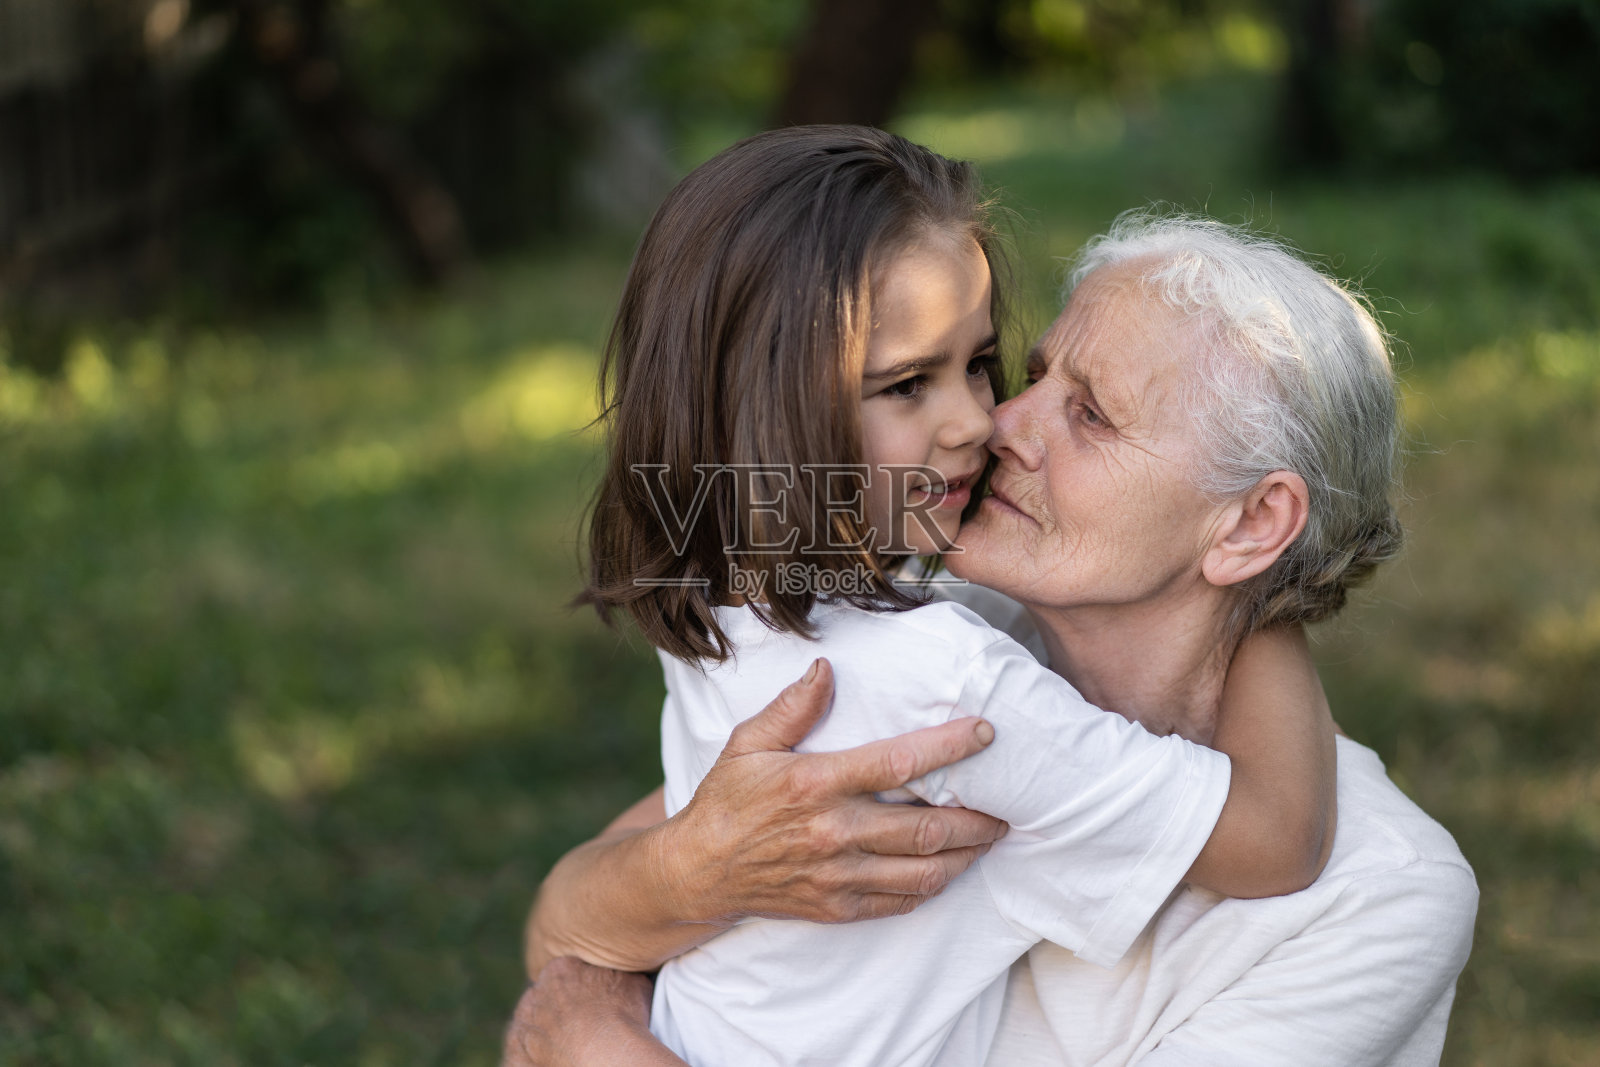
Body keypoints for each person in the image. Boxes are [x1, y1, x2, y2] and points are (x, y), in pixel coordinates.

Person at [505, 209, 1479, 1066]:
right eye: (1032, 372)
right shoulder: (938, 624)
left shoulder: (1382, 896)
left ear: (1250, 524)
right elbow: (565, 916)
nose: (996, 420)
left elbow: (569, 973)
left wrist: (600, 1044)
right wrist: (663, 898)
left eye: (1089, 414)